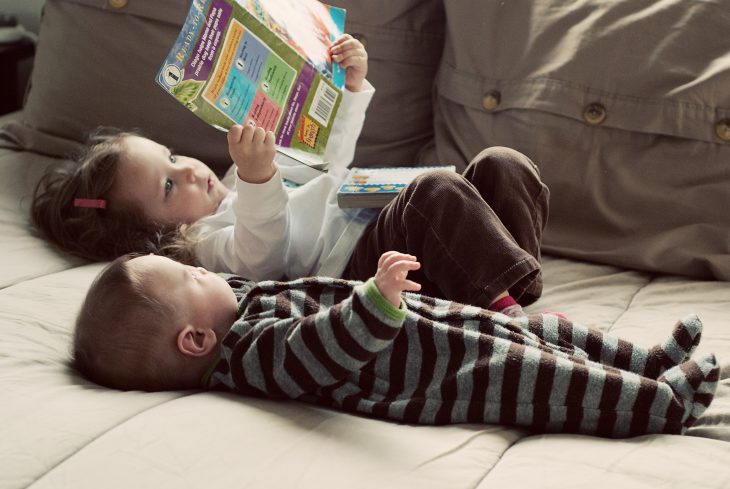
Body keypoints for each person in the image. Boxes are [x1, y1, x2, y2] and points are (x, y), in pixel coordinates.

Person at [32, 34, 547, 317]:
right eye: (169, 186)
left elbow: (326, 156)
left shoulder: (240, 174)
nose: (188, 170)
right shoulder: (206, 246)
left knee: (503, 164)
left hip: (393, 227)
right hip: (360, 263)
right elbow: (264, 251)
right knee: (436, 193)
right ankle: (506, 316)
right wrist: (258, 181)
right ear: (155, 235)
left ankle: (512, 295)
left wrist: (350, 88)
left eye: (171, 156)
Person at [73, 250, 719, 438]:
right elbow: (322, 346)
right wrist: (377, 299)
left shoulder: (239, 307)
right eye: (193, 277)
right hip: (446, 376)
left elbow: (242, 282)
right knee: (550, 377)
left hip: (449, 328)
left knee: (551, 332)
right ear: (195, 338)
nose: (206, 270)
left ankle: (648, 359)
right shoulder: (252, 357)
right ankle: (663, 403)